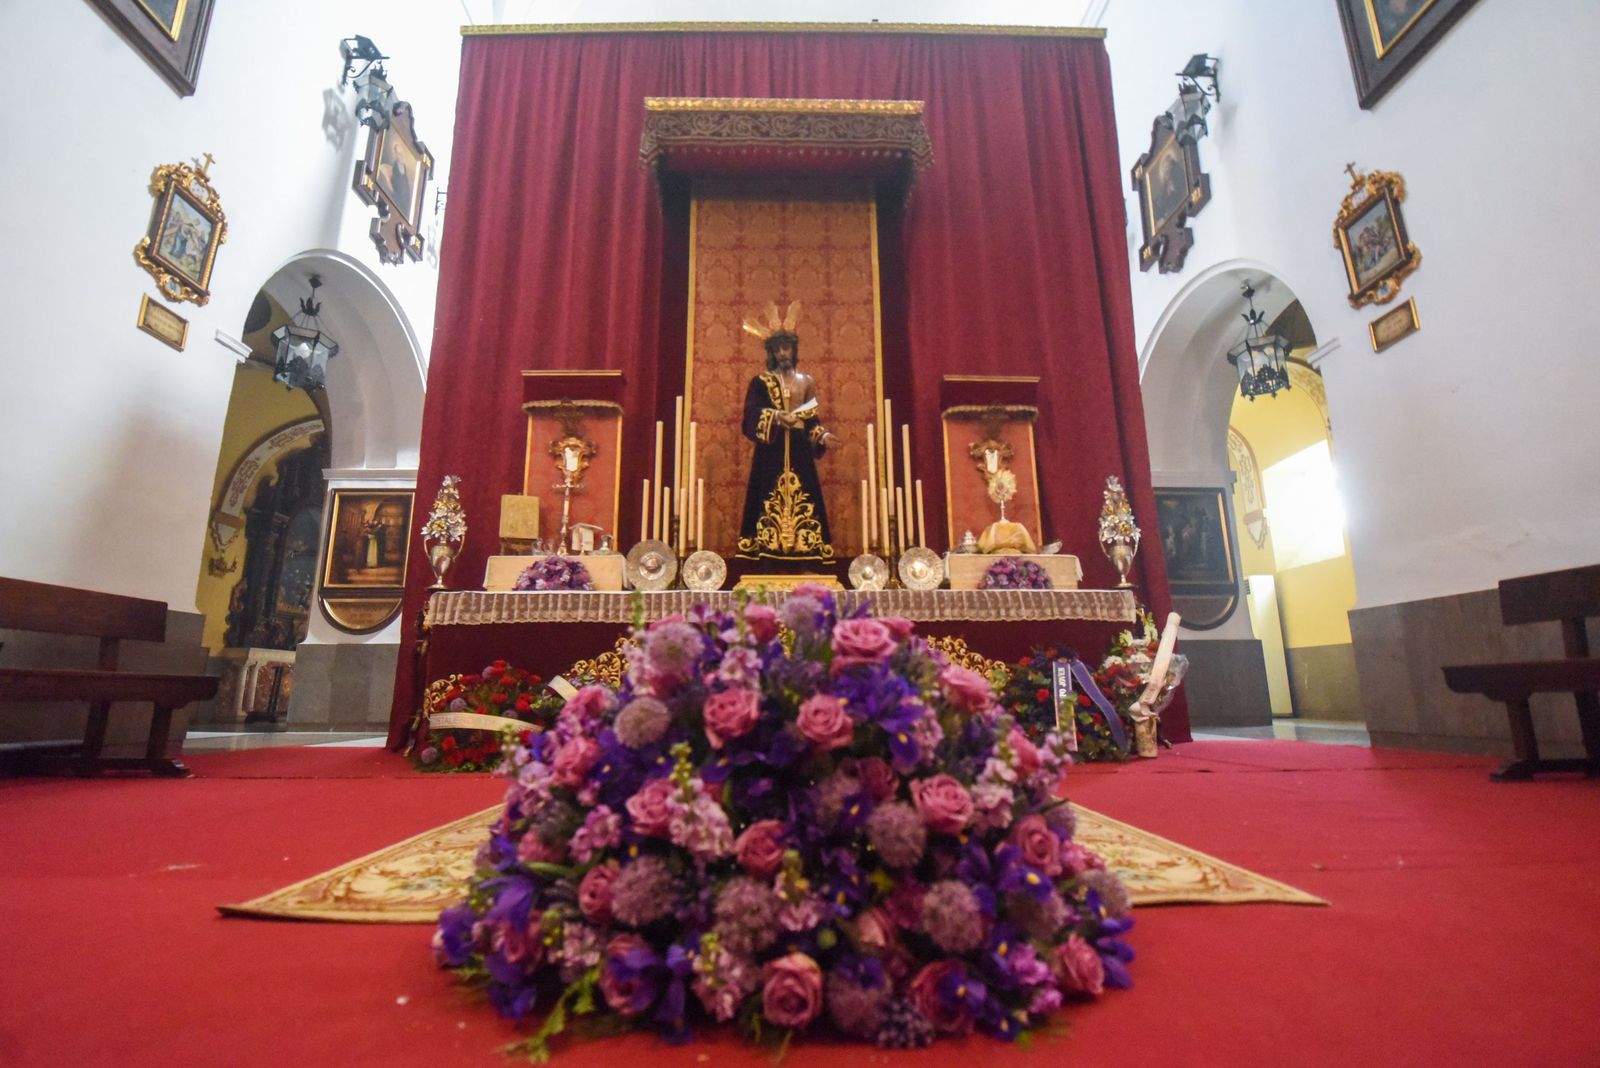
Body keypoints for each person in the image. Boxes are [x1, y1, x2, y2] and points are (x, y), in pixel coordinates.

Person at [735, 302, 840, 564]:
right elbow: (751, 414)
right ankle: (765, 551)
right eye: (778, 348)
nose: (783, 353)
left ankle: (806, 552)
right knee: (765, 493)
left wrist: (822, 436)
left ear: (794, 350)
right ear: (771, 352)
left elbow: (811, 419)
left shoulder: (806, 381)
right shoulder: (760, 382)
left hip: (799, 449)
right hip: (771, 449)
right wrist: (776, 416)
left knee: (806, 494)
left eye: (787, 348)